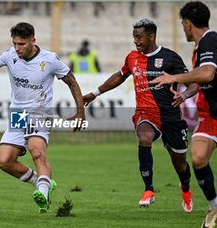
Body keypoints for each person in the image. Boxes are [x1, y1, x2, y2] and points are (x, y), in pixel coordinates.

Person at [83, 19, 197, 212]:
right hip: (146, 112)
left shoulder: (170, 58)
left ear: (151, 36)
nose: (135, 41)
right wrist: (95, 93)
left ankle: (185, 188)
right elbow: (120, 76)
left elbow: (193, 83)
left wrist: (184, 95)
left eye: (139, 37)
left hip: (171, 116)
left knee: (181, 166)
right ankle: (148, 189)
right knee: (144, 137)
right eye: (133, 37)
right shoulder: (132, 57)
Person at [0, 22, 85, 213]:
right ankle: (42, 183)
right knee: (4, 161)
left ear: (33, 40)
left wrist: (80, 111)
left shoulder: (50, 60)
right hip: (18, 114)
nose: (17, 48)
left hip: (39, 112)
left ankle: (43, 194)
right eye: (15, 43)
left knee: (36, 151)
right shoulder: (10, 55)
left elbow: (71, 81)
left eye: (22, 44)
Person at [150, 2, 217, 228]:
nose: (183, 28)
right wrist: (187, 92)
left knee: (197, 158)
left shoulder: (209, 40)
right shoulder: (202, 46)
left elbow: (207, 74)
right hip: (210, 114)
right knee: (198, 158)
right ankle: (214, 207)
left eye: (183, 24)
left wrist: (173, 78)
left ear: (188, 24)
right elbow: (206, 78)